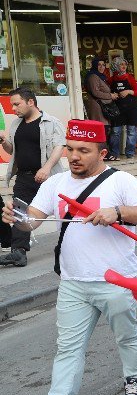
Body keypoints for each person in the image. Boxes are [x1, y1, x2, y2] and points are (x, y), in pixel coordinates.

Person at [6, 120, 137, 395]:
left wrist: (117, 213)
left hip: (116, 280)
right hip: (73, 282)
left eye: (83, 151)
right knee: (68, 348)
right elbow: (30, 224)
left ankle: (134, 379)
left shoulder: (121, 181)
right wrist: (15, 219)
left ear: (102, 152)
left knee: (126, 336)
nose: (74, 156)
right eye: (70, 149)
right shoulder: (55, 183)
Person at [0, 87, 66, 268]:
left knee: (63, 211)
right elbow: (11, 151)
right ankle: (18, 252)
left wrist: (46, 168)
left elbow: (59, 147)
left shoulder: (51, 122)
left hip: (48, 177)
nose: (13, 109)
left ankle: (72, 244)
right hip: (23, 177)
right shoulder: (16, 125)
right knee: (19, 213)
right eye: (12, 105)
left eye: (16, 104)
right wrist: (4, 141)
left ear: (31, 102)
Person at [109, 56, 137, 159]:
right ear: (116, 66)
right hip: (117, 109)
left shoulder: (130, 78)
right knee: (115, 131)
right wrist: (111, 94)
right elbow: (107, 91)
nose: (124, 66)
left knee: (132, 131)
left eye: (125, 64)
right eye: (121, 64)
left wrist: (128, 91)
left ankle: (130, 153)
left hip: (131, 108)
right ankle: (115, 154)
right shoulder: (111, 79)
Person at [82, 58, 116, 144]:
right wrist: (110, 96)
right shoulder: (93, 76)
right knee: (101, 130)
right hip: (98, 107)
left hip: (103, 106)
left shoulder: (101, 77)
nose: (102, 67)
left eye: (103, 65)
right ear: (94, 66)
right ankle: (102, 152)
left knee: (105, 129)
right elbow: (95, 92)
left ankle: (104, 151)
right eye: (99, 65)